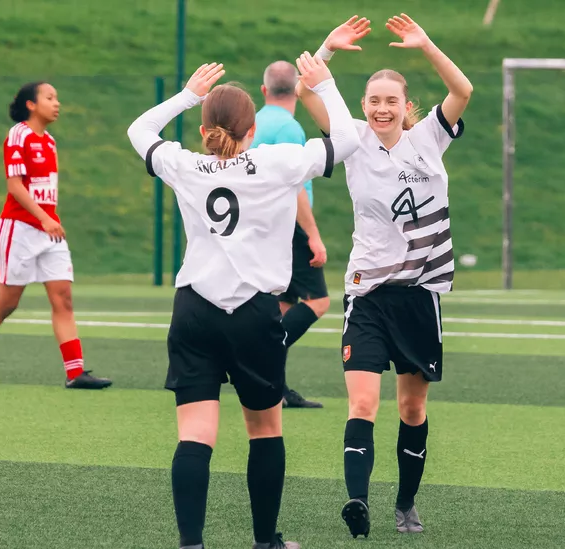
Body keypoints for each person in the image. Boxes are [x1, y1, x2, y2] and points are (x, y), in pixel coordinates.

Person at [127, 55, 360, 549]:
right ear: (252, 129)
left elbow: (140, 129)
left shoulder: (185, 164)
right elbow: (350, 139)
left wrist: (188, 94)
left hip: (194, 310)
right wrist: (327, 83)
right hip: (254, 313)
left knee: (195, 434)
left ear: (205, 128)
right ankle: (264, 542)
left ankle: (191, 544)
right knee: (265, 429)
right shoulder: (279, 161)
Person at [297, 14, 473, 538]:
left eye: (390, 100)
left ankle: (405, 503)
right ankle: (356, 503)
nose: (380, 108)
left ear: (405, 106)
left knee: (412, 407)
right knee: (363, 403)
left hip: (420, 295)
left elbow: (462, 89)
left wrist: (426, 45)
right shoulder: (349, 138)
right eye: (373, 100)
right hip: (367, 294)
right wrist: (327, 46)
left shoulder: (429, 139)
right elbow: (309, 88)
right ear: (364, 106)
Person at [0, 81, 112, 390]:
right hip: (20, 230)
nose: (57, 103)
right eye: (50, 97)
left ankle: (75, 372)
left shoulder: (50, 141)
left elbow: (45, 191)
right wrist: (43, 218)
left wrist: (49, 220)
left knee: (63, 299)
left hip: (50, 231)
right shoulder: (18, 135)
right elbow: (15, 186)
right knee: (7, 303)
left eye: (57, 98)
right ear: (31, 104)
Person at [251, 60, 331, 409]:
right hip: (289, 224)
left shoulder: (251, 122)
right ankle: (258, 357)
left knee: (283, 304)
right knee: (319, 301)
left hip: (260, 224)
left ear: (264, 90)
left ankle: (275, 388)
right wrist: (312, 233)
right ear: (298, 89)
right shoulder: (290, 128)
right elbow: (294, 184)